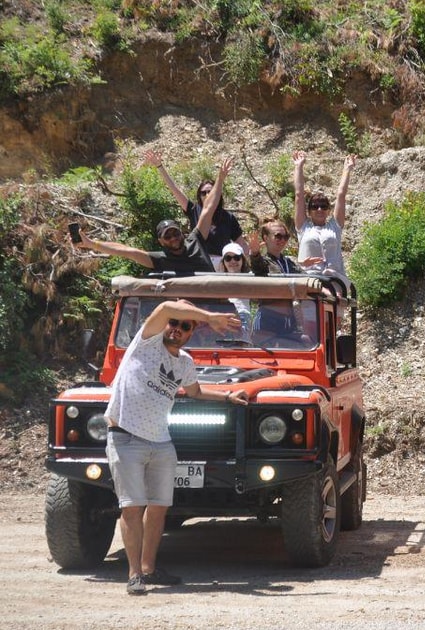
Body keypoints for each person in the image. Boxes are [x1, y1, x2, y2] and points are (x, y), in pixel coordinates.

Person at [104, 299, 248, 594]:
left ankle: (149, 569)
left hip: (161, 441)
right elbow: (168, 306)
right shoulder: (145, 343)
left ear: (190, 333)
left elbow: (194, 391)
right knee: (132, 507)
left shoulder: (184, 362)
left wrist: (227, 397)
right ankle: (134, 576)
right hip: (126, 437)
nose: (177, 329)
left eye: (185, 327)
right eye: (175, 323)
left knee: (158, 509)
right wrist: (208, 315)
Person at [145, 150, 248, 267]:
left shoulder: (228, 217)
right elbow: (174, 189)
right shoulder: (194, 210)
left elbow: (241, 245)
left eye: (211, 191)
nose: (208, 195)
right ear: (199, 196)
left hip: (223, 265)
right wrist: (159, 166)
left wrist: (249, 261)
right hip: (199, 263)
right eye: (204, 193)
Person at [75, 218, 214, 275]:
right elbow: (126, 251)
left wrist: (220, 179)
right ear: (161, 241)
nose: (173, 239)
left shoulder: (195, 241)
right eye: (167, 236)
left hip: (218, 301)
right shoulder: (159, 259)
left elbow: (208, 208)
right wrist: (92, 244)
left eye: (175, 233)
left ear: (182, 233)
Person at [294, 151, 354, 282]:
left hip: (334, 278)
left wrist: (347, 169)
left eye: (324, 206)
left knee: (334, 296)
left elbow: (341, 195)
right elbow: (299, 195)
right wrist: (299, 166)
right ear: (308, 211)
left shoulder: (334, 226)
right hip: (309, 278)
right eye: (315, 206)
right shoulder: (303, 227)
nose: (319, 209)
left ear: (328, 211)